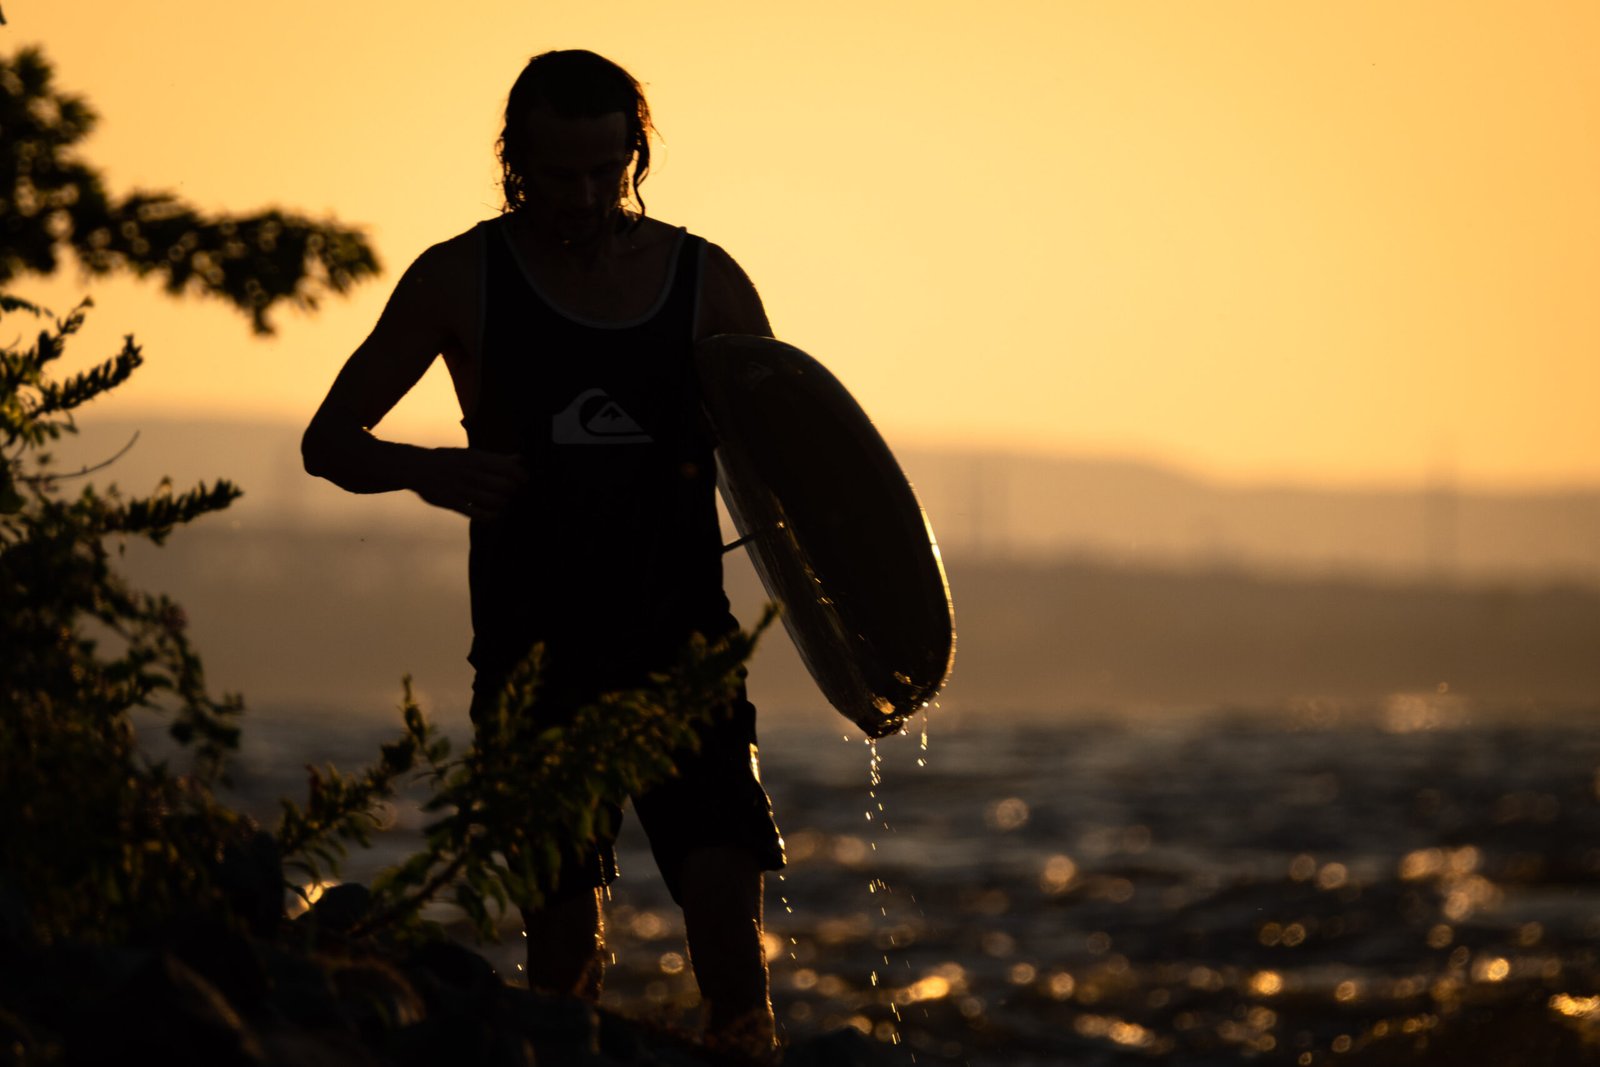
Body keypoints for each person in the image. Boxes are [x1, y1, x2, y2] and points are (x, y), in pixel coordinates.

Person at [301, 49, 786, 1051]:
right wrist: (424, 469)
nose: (579, 196)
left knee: (727, 933)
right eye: (554, 174)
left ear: (633, 156)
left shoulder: (705, 284)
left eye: (600, 172)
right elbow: (329, 441)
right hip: (532, 656)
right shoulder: (460, 278)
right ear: (513, 163)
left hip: (684, 647)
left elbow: (789, 461)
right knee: (559, 949)